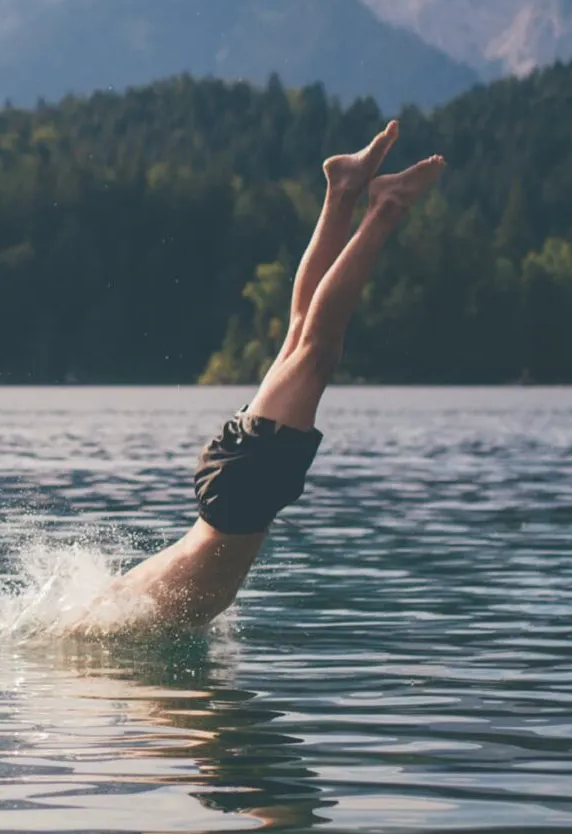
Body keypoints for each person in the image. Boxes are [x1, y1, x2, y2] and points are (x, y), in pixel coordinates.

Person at [95, 120, 444, 631]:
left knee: (315, 352)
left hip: (238, 498)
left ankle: (385, 209)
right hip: (234, 493)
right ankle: (343, 191)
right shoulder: (110, 611)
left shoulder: (103, 628)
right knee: (302, 337)